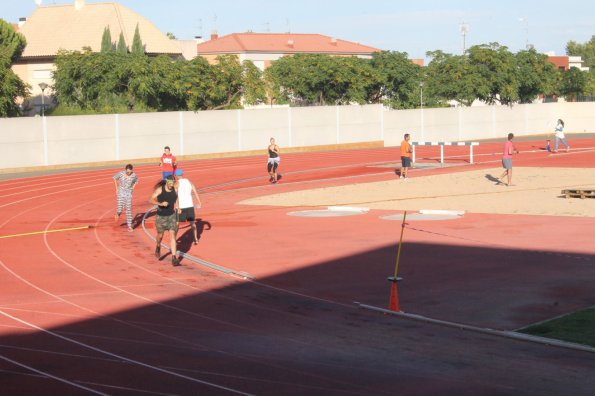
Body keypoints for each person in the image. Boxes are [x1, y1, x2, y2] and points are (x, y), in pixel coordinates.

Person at [149, 175, 181, 266]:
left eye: (173, 182)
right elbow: (151, 200)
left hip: (171, 216)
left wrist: (178, 207)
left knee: (172, 235)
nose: (171, 184)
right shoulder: (160, 190)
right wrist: (160, 203)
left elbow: (177, 198)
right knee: (160, 235)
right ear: (167, 182)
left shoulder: (175, 189)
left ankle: (174, 258)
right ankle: (158, 246)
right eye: (170, 183)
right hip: (161, 217)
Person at [174, 169, 202, 245]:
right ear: (183, 174)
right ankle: (196, 239)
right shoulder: (189, 182)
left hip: (181, 206)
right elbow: (195, 192)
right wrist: (199, 202)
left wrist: (177, 207)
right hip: (189, 205)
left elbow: (175, 196)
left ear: (176, 175)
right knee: (193, 223)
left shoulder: (176, 183)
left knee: (177, 224)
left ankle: (174, 239)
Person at [113, 164, 138, 232]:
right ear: (125, 170)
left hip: (128, 194)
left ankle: (130, 226)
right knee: (120, 208)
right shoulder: (121, 174)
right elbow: (114, 178)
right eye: (127, 172)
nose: (128, 173)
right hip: (121, 193)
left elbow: (136, 181)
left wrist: (133, 188)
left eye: (130, 172)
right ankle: (118, 213)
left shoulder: (134, 175)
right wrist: (116, 189)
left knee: (128, 209)